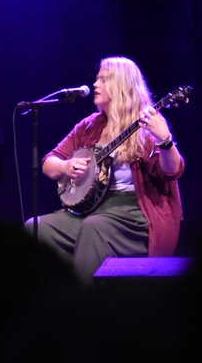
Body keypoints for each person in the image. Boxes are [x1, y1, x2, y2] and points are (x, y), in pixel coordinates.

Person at [26, 56, 184, 281]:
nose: (95, 85)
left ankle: (83, 307)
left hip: (134, 217)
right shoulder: (90, 125)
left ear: (121, 85)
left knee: (94, 228)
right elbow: (49, 164)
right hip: (92, 211)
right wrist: (66, 166)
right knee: (36, 228)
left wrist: (165, 140)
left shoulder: (145, 126)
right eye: (96, 79)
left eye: (103, 79)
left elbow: (171, 170)